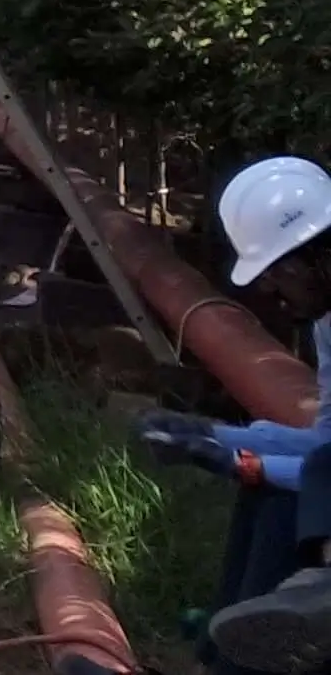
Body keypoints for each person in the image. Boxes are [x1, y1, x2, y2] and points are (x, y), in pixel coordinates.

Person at [192, 155, 331, 670]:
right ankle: (220, 654)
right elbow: (326, 441)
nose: (271, 290)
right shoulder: (325, 318)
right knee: (275, 491)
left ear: (313, 257)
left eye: (277, 273)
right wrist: (214, 437)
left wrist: (241, 461)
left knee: (284, 502)